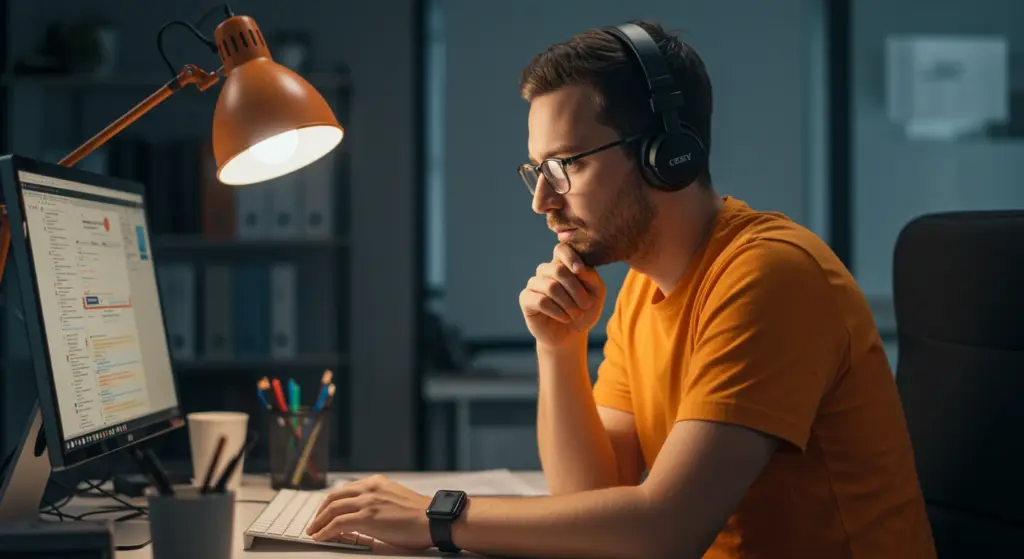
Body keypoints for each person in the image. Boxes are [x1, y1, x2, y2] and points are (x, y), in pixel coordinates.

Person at [306, 20, 937, 558]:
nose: (542, 200)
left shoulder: (770, 275)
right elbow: (590, 506)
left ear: (668, 154)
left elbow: (665, 529)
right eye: (537, 168)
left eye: (567, 165)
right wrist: (559, 348)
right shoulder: (642, 286)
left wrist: (436, 516)